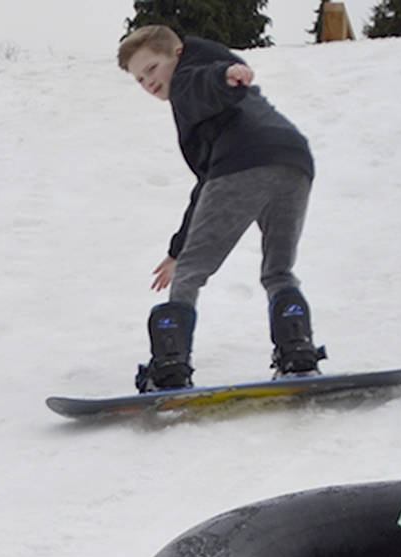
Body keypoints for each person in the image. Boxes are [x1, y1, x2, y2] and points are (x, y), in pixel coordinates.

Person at [118, 23, 324, 392]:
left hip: (242, 163)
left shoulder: (187, 79)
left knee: (190, 274)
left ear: (177, 54)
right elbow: (207, 184)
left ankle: (170, 365)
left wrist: (224, 76)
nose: (148, 82)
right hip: (293, 160)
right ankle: (297, 352)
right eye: (139, 79)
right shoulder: (212, 93)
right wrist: (176, 248)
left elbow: (202, 83)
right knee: (278, 270)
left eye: (151, 68)